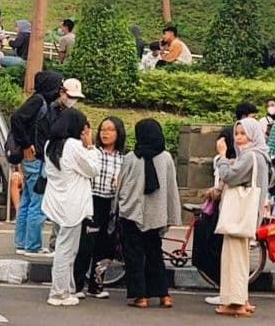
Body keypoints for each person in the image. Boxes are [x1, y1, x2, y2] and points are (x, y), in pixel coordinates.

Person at [116, 119, 181, 308]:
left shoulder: (131, 157)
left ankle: (140, 296)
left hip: (133, 212)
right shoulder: (166, 157)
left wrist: (118, 205)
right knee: (155, 253)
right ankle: (163, 295)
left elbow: (122, 184)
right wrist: (171, 214)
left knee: (134, 254)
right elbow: (171, 187)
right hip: (157, 213)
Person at [211, 117, 271, 316]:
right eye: (236, 133)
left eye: (243, 133)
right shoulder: (261, 155)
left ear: (253, 135)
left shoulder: (249, 156)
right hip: (249, 214)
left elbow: (229, 176)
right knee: (241, 257)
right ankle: (242, 299)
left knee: (234, 258)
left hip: (238, 214)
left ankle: (235, 303)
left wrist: (222, 157)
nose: (238, 137)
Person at [42, 108, 100, 306]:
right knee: (67, 250)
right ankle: (59, 293)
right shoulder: (73, 146)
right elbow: (93, 169)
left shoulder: (50, 144)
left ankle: (67, 288)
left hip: (56, 201)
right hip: (72, 204)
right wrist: (90, 147)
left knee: (64, 247)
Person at [9, 70, 66, 254]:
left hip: (32, 160)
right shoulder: (39, 101)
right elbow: (16, 118)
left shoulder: (41, 101)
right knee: (37, 203)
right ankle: (32, 245)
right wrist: (26, 144)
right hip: (36, 158)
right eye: (58, 85)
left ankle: (21, 242)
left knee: (27, 201)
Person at [73, 116, 125, 299]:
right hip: (92, 201)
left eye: (110, 130)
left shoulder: (123, 158)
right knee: (86, 245)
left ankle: (96, 286)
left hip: (111, 204)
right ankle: (77, 285)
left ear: (118, 133)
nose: (105, 133)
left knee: (104, 247)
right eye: (103, 129)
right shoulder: (94, 152)